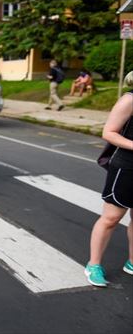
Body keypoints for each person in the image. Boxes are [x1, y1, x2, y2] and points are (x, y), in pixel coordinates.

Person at [85, 70, 133, 287]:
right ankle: (93, 265)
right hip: (127, 166)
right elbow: (109, 132)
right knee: (111, 218)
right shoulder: (129, 100)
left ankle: (132, 262)